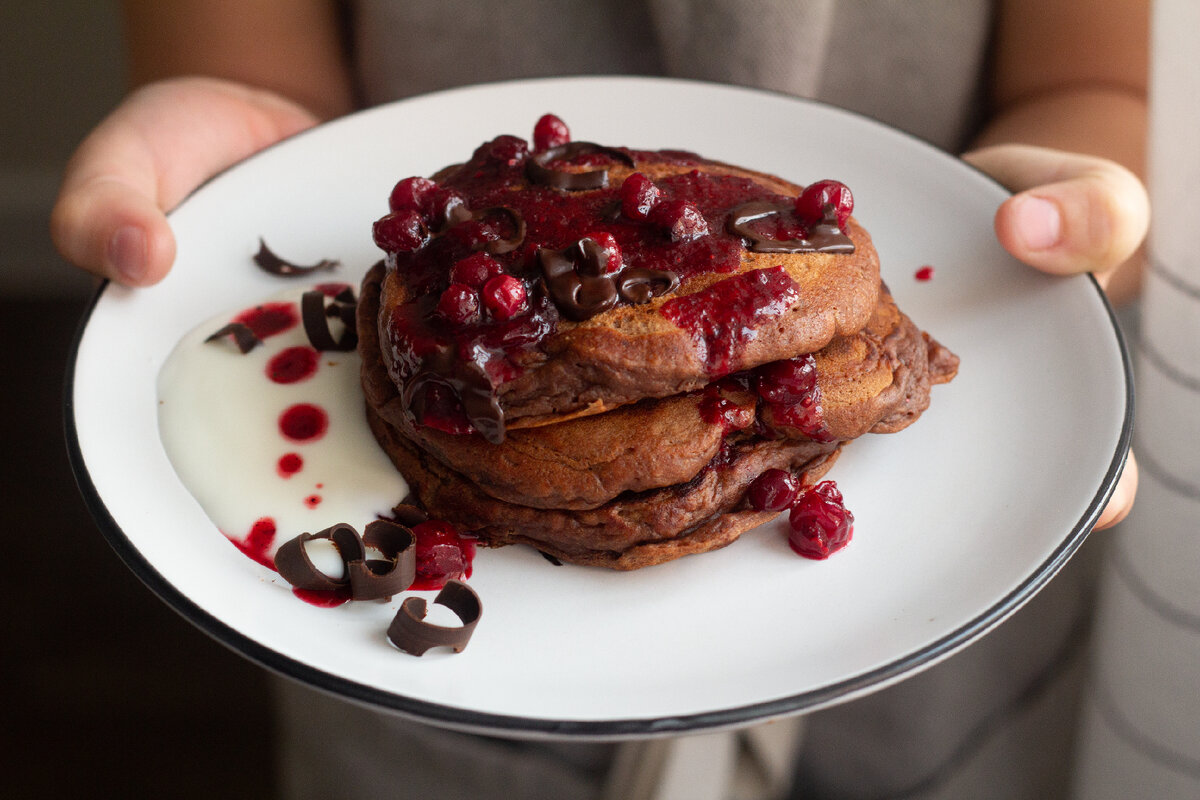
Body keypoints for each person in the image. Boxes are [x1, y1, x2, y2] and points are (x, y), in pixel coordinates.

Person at [51, 2, 1150, 797]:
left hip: (934, 657)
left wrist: (1043, 235)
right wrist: (259, 132)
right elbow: (246, 41)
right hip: (434, 721)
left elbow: (1107, 81)